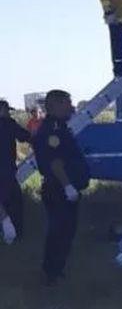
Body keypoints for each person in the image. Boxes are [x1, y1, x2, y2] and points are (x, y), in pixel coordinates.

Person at [33, 90, 90, 285]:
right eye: (67, 103)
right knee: (60, 231)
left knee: (65, 230)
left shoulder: (60, 127)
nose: (71, 106)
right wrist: (68, 186)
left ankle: (55, 269)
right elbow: (55, 162)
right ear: (55, 105)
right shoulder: (53, 130)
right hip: (59, 189)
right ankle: (51, 273)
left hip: (62, 188)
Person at [0, 100, 30, 243]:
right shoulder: (8, 123)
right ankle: (14, 233)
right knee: (14, 201)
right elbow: (24, 136)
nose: (8, 113)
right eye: (6, 110)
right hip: (6, 169)